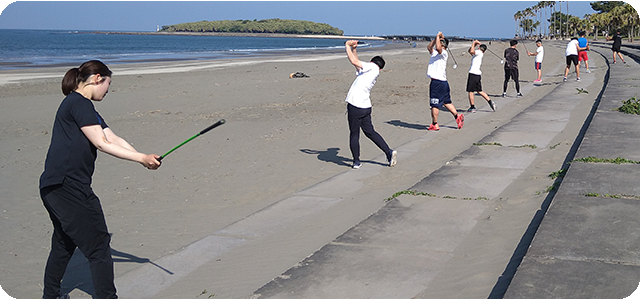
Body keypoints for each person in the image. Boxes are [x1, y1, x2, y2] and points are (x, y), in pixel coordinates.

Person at [39, 60, 162, 299]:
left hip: (54, 186)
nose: (108, 90)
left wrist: (142, 157)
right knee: (99, 247)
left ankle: (51, 295)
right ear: (97, 78)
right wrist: (141, 158)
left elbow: (111, 137)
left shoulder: (82, 107)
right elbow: (101, 144)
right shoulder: (79, 103)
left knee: (64, 244)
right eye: (108, 84)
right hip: (68, 186)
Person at [344, 40, 397, 169]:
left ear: (373, 63)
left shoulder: (372, 68)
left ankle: (356, 161)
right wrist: (354, 49)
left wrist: (347, 46)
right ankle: (388, 152)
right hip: (365, 106)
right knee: (370, 132)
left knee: (354, 134)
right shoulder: (369, 72)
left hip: (356, 105)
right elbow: (358, 65)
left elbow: (354, 61)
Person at [426, 31, 464, 131]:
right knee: (446, 102)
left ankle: (435, 123)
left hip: (438, 82)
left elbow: (439, 48)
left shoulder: (444, 53)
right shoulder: (435, 53)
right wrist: (436, 38)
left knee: (435, 103)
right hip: (441, 82)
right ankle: (457, 116)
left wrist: (439, 37)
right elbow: (429, 48)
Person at [466, 40, 497, 113]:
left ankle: (472, 107)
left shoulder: (479, 52)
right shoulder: (479, 53)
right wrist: (474, 45)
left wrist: (474, 43)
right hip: (477, 74)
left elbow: (472, 52)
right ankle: (490, 102)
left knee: (470, 91)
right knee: (479, 91)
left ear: (480, 48)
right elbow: (470, 51)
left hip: (473, 73)